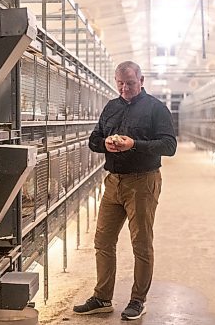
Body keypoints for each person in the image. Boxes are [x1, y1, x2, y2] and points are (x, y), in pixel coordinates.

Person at [73, 61, 177, 320]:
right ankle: (102, 297)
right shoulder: (111, 106)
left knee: (140, 243)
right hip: (113, 181)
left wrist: (134, 144)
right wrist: (106, 144)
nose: (124, 87)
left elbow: (169, 145)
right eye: (120, 82)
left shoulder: (155, 108)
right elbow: (94, 139)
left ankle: (138, 300)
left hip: (142, 182)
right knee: (103, 241)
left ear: (141, 80)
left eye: (130, 82)